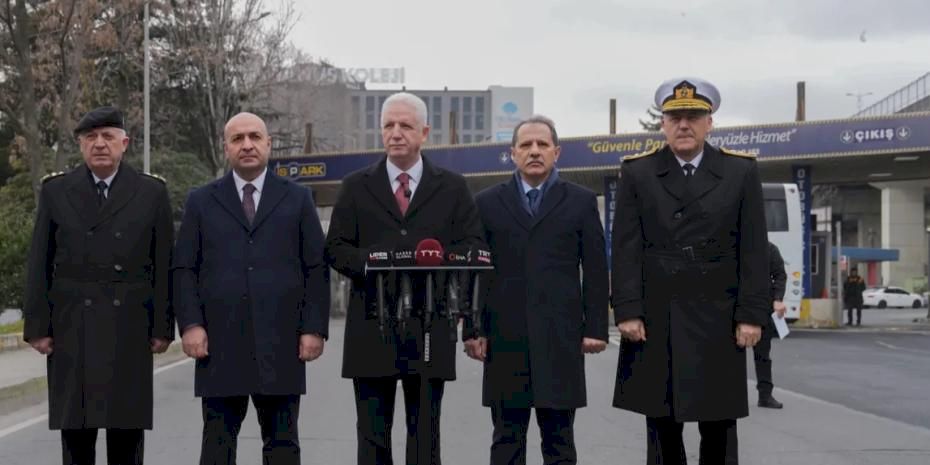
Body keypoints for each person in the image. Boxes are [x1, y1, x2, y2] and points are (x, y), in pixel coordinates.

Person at [611, 77, 770, 465]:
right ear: (663, 124)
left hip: (719, 316)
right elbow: (625, 246)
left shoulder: (740, 172)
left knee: (719, 424)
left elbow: (753, 250)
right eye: (675, 117)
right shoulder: (638, 172)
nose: (684, 125)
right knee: (662, 425)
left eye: (694, 117)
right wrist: (627, 310)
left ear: (709, 122)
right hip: (658, 315)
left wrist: (751, 315)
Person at [324, 92, 485, 465]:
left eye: (406, 126)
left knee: (426, 435)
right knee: (372, 436)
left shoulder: (453, 187)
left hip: (430, 324)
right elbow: (335, 248)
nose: (396, 133)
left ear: (424, 132)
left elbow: (472, 245)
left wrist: (442, 268)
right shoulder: (355, 186)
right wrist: (378, 262)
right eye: (389, 126)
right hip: (371, 324)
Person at [172, 112, 330, 465]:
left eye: (255, 137)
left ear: (268, 144)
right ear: (225, 147)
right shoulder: (201, 201)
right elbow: (184, 268)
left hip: (282, 343)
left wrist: (313, 328)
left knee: (283, 444)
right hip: (219, 342)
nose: (247, 145)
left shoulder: (298, 198)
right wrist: (191, 324)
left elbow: (316, 268)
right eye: (238, 138)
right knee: (217, 444)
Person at [22, 106, 174, 465]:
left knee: (126, 435)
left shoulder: (150, 191)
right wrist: (37, 328)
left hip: (130, 326)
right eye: (91, 138)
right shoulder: (57, 190)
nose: (99, 144)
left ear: (125, 143)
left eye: (108, 137)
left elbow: (164, 263)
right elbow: (39, 262)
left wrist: (163, 327)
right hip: (73, 326)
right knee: (76, 436)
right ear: (80, 145)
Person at [466, 115, 609, 465]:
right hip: (504, 338)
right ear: (512, 153)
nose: (534, 151)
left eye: (542, 145)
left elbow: (594, 268)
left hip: (560, 338)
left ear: (556, 153)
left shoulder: (581, 201)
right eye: (526, 145)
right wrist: (473, 329)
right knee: (506, 441)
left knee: (559, 442)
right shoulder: (486, 203)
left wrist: (595, 328)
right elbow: (475, 272)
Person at [754, 241, 787, 409]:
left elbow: (780, 275)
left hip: (763, 308)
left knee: (763, 356)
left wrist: (778, 299)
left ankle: (765, 396)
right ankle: (727, 396)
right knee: (731, 357)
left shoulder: (769, 248)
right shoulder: (734, 244)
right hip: (734, 307)